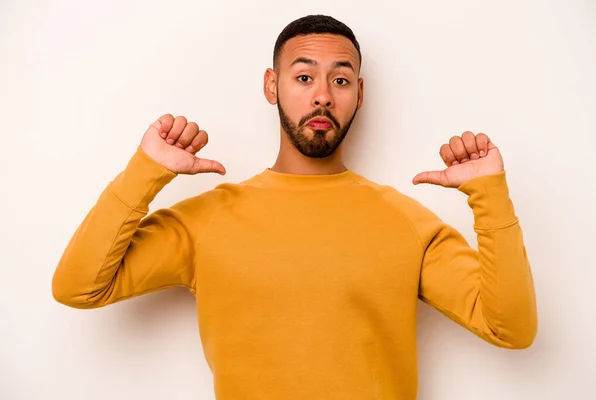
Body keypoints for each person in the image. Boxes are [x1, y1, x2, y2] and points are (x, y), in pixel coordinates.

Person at [52, 14, 537, 400]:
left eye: (341, 81)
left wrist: (489, 195)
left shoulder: (406, 223)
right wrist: (145, 171)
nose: (322, 95)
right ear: (271, 86)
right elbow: (78, 288)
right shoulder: (207, 221)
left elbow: (510, 328)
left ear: (359, 95)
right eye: (304, 76)